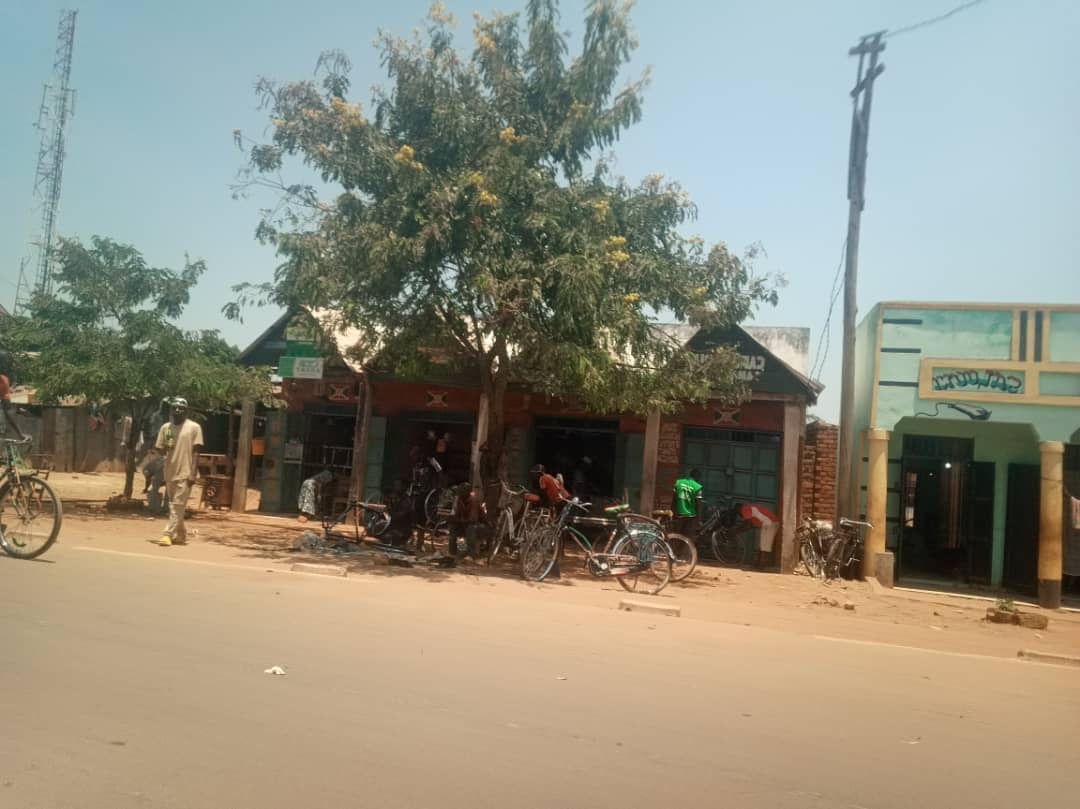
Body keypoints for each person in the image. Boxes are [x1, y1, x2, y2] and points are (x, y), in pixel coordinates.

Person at [153, 397, 203, 547]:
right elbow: (160, 450)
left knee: (176, 505)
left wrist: (193, 473)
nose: (177, 410)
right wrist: (162, 447)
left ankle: (167, 534)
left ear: (186, 411)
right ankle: (181, 535)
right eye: (175, 408)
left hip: (186, 472)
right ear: (171, 410)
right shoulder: (165, 428)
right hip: (170, 471)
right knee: (176, 505)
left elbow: (196, 452)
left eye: (181, 408)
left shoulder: (194, 427)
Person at [672, 469, 704, 535]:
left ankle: (674, 545)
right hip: (690, 516)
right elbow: (699, 505)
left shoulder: (678, 482)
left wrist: (672, 511)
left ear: (690, 475)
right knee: (687, 537)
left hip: (678, 514)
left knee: (676, 535)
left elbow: (674, 499)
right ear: (698, 478)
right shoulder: (697, 487)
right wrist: (699, 520)